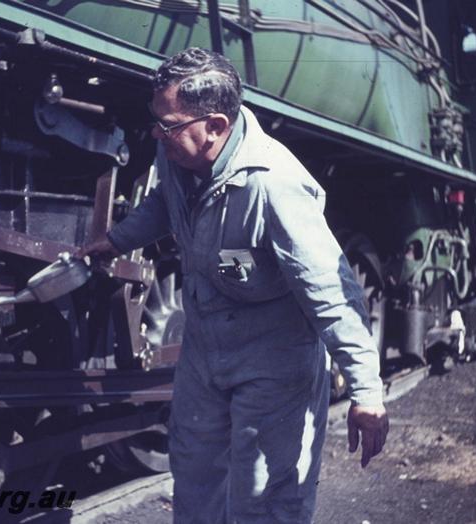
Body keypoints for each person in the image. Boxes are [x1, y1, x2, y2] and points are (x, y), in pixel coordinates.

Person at [79, 48, 388, 523]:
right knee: (195, 482)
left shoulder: (275, 186)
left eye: (169, 125)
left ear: (217, 126)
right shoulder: (178, 155)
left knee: (264, 499)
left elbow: (333, 293)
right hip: (205, 354)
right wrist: (113, 242)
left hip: (274, 364)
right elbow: (163, 205)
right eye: (156, 121)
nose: (156, 135)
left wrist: (367, 392)